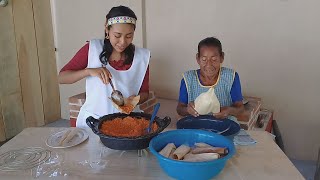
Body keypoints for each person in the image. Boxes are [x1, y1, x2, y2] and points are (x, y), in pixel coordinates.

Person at [58, 6, 150, 127]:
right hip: (93, 122)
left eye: (129, 36)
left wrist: (135, 100)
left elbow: (145, 93)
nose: (123, 42)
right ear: (107, 29)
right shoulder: (92, 49)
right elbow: (61, 78)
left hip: (126, 121)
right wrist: (88, 71)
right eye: (117, 35)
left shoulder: (142, 57)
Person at [176, 37, 244, 121]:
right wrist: (187, 109)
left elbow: (240, 108)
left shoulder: (231, 77)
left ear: (221, 57)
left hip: (223, 125)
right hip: (195, 127)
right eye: (204, 59)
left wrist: (229, 110)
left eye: (214, 59)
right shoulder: (188, 79)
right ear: (198, 58)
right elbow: (179, 109)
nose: (209, 65)